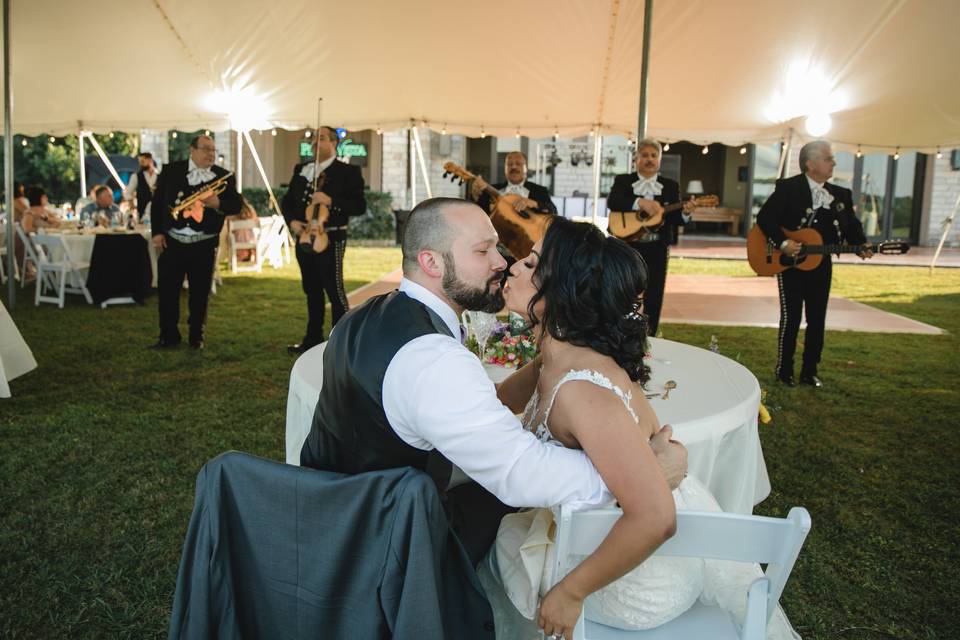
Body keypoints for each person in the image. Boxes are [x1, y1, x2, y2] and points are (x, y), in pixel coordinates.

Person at [298, 197, 687, 574]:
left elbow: (486, 408)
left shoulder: (361, 316)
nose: (503, 262)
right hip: (388, 541)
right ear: (431, 262)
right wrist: (641, 473)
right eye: (483, 251)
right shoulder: (435, 358)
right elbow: (521, 474)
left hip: (333, 509)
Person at [486, 218, 801, 640]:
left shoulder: (583, 393)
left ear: (564, 290)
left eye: (531, 262)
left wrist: (571, 593)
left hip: (639, 582)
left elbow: (655, 518)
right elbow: (496, 406)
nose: (515, 267)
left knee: (491, 554)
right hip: (614, 539)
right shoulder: (556, 356)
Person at [757, 140, 872, 388]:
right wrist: (784, 242)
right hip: (790, 263)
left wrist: (861, 244)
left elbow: (852, 227)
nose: (833, 163)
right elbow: (765, 219)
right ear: (810, 163)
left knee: (817, 318)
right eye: (828, 158)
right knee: (791, 317)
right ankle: (784, 369)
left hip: (821, 265)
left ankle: (810, 371)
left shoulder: (840, 195)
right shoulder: (789, 188)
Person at [149, 134, 240, 350]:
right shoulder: (172, 170)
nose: (211, 154)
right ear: (192, 150)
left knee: (200, 293)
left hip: (204, 243)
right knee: (168, 291)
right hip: (173, 242)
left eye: (213, 150)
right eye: (206, 149)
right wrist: (157, 233)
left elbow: (235, 205)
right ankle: (168, 336)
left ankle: (196, 336)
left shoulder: (224, 175)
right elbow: (157, 204)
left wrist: (218, 202)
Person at [281, 126, 366, 354]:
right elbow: (287, 201)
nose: (316, 142)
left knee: (334, 290)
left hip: (332, 236)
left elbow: (359, 206)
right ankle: (312, 338)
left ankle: (340, 343)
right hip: (305, 236)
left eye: (322, 138)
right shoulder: (302, 169)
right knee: (311, 289)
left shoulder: (348, 172)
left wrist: (330, 200)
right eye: (314, 139)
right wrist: (293, 222)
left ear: (334, 144)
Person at [606, 139, 695, 337]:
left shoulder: (670, 186)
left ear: (659, 160)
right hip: (628, 246)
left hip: (656, 247)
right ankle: (619, 334)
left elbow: (674, 218)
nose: (649, 159)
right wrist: (639, 202)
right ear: (636, 159)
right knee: (625, 290)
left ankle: (649, 336)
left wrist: (686, 213)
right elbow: (613, 201)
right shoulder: (624, 181)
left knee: (653, 294)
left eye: (654, 156)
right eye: (644, 155)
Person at [470, 151, 558, 215]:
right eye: (509, 164)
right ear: (505, 168)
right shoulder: (492, 189)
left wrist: (534, 203)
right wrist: (475, 197)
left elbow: (553, 211)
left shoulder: (540, 190)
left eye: (518, 164)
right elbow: (476, 213)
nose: (514, 167)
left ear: (526, 168)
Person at [123, 152, 160, 223]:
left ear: (150, 160)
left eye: (143, 161)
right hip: (143, 213)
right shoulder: (136, 176)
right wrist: (132, 205)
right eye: (140, 162)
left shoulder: (160, 175)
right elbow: (128, 193)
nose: (140, 164)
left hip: (158, 211)